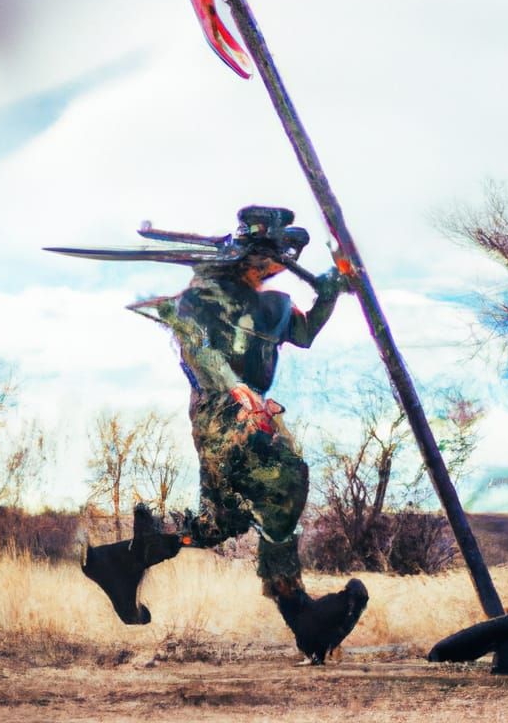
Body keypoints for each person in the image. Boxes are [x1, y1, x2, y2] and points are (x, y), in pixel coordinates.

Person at [81, 205, 369, 658]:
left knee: (225, 521)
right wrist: (234, 388)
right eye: (265, 255)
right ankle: (303, 617)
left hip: (253, 410)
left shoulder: (274, 306)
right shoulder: (201, 299)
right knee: (283, 480)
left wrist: (334, 286)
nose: (270, 266)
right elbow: (198, 349)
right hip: (222, 411)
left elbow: (306, 331)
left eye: (278, 258)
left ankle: (121, 561)